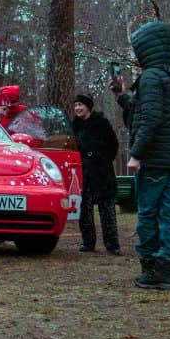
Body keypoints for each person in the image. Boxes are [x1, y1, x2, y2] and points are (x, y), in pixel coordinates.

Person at [112, 21, 170, 289]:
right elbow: (143, 111)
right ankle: (169, 267)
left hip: (153, 160)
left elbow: (150, 119)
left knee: (148, 214)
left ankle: (153, 266)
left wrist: (137, 154)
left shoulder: (151, 77)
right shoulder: (169, 76)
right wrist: (121, 96)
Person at [71, 92, 121, 255]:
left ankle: (112, 244)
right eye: (76, 105)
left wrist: (101, 159)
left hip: (102, 172)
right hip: (83, 172)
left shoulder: (101, 123)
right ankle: (88, 242)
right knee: (84, 209)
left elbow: (113, 144)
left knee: (107, 209)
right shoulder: (75, 125)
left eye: (80, 105)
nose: (77, 108)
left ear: (88, 107)